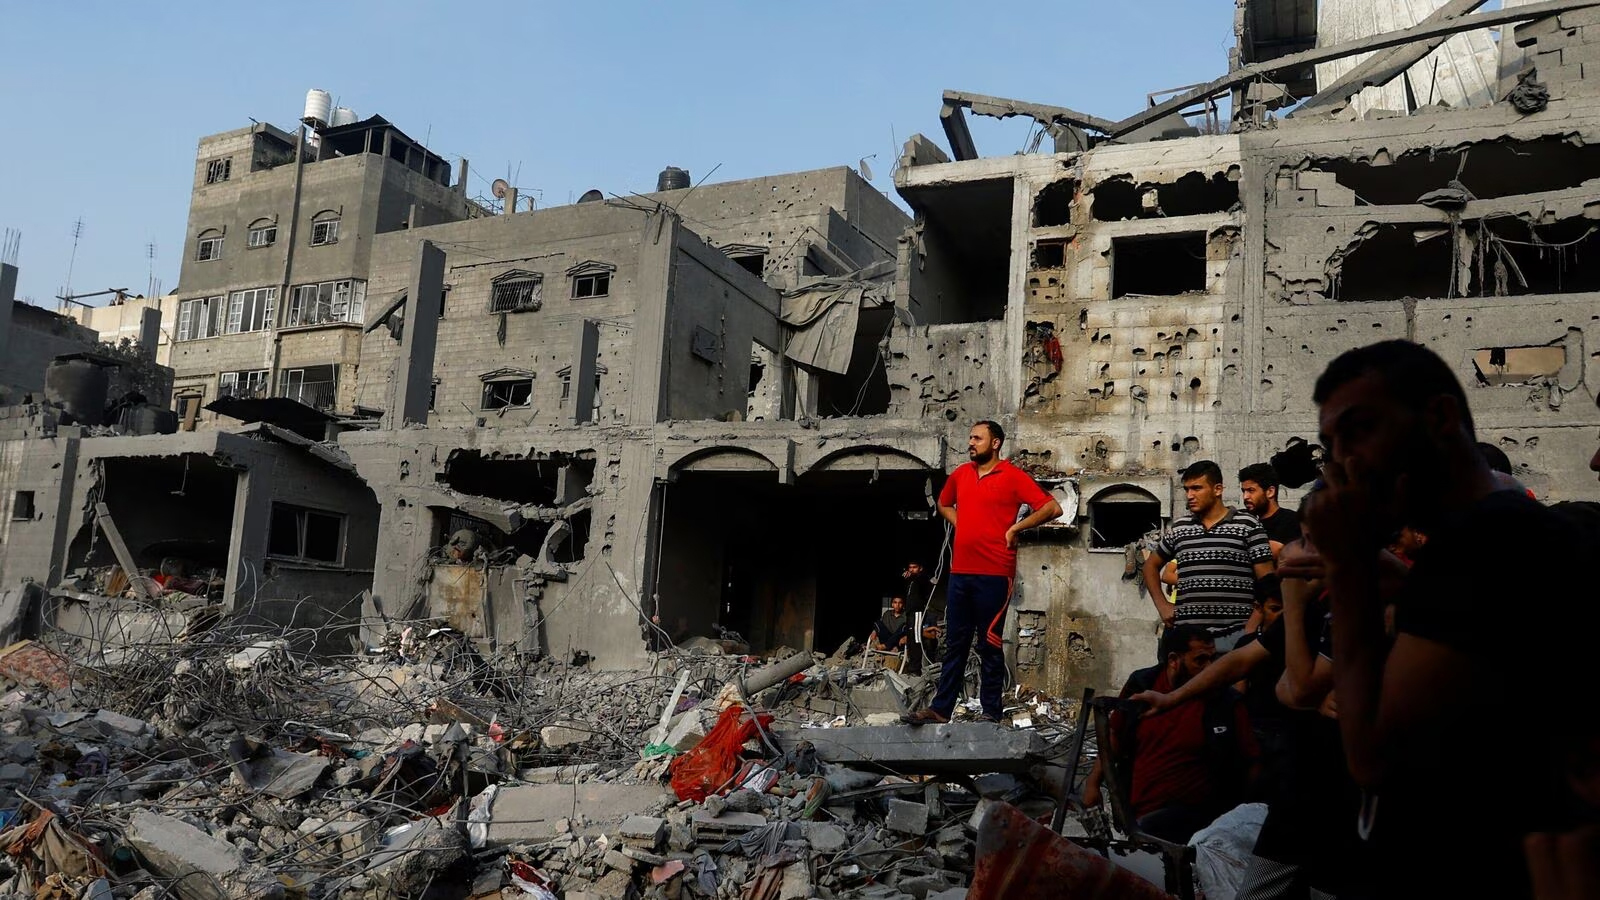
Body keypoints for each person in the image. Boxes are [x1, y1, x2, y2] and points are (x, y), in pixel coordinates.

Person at [1300, 339, 1594, 899]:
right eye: (1331, 444)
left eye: (1361, 430)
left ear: (1438, 417)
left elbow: (1372, 756)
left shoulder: (1491, 539)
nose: (1343, 462)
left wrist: (1349, 566)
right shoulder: (1482, 539)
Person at [903, 421, 1061, 725]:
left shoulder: (1013, 476)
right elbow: (944, 503)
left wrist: (1016, 528)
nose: (971, 443)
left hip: (995, 573)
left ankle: (991, 712)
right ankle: (940, 710)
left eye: (977, 438)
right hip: (961, 573)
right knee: (955, 644)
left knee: (989, 644)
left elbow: (1052, 508)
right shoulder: (962, 474)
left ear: (996, 443)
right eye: (970, 438)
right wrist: (961, 523)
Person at [1083, 625, 1259, 844]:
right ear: (1174, 660)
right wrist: (1093, 783)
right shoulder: (1143, 685)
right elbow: (1115, 735)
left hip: (1201, 824)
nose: (1209, 668)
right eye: (1200, 660)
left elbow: (1251, 761)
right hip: (1139, 815)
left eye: (1212, 659)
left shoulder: (1225, 701)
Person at [1142, 460, 1275, 651]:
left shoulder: (1247, 525)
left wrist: (1251, 629)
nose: (1190, 495)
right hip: (1188, 638)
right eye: (1187, 489)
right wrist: (1162, 605)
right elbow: (1150, 566)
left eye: (1197, 488)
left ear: (1217, 489)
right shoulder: (1180, 528)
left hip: (1235, 635)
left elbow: (1268, 583)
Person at [1239, 462, 1302, 554]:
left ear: (1270, 491)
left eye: (1251, 490)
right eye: (1243, 491)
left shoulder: (1292, 521)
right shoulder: (1242, 519)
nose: (1245, 497)